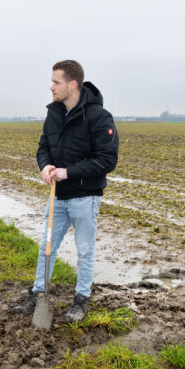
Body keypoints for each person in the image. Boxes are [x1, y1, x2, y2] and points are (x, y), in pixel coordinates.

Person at [12, 60, 118, 322]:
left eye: (56, 82)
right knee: (46, 247)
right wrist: (45, 165)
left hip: (85, 197)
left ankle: (81, 300)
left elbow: (107, 160)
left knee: (84, 251)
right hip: (57, 196)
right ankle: (38, 293)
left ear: (73, 84)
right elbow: (43, 146)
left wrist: (68, 172)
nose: (51, 87)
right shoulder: (54, 113)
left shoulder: (99, 117)